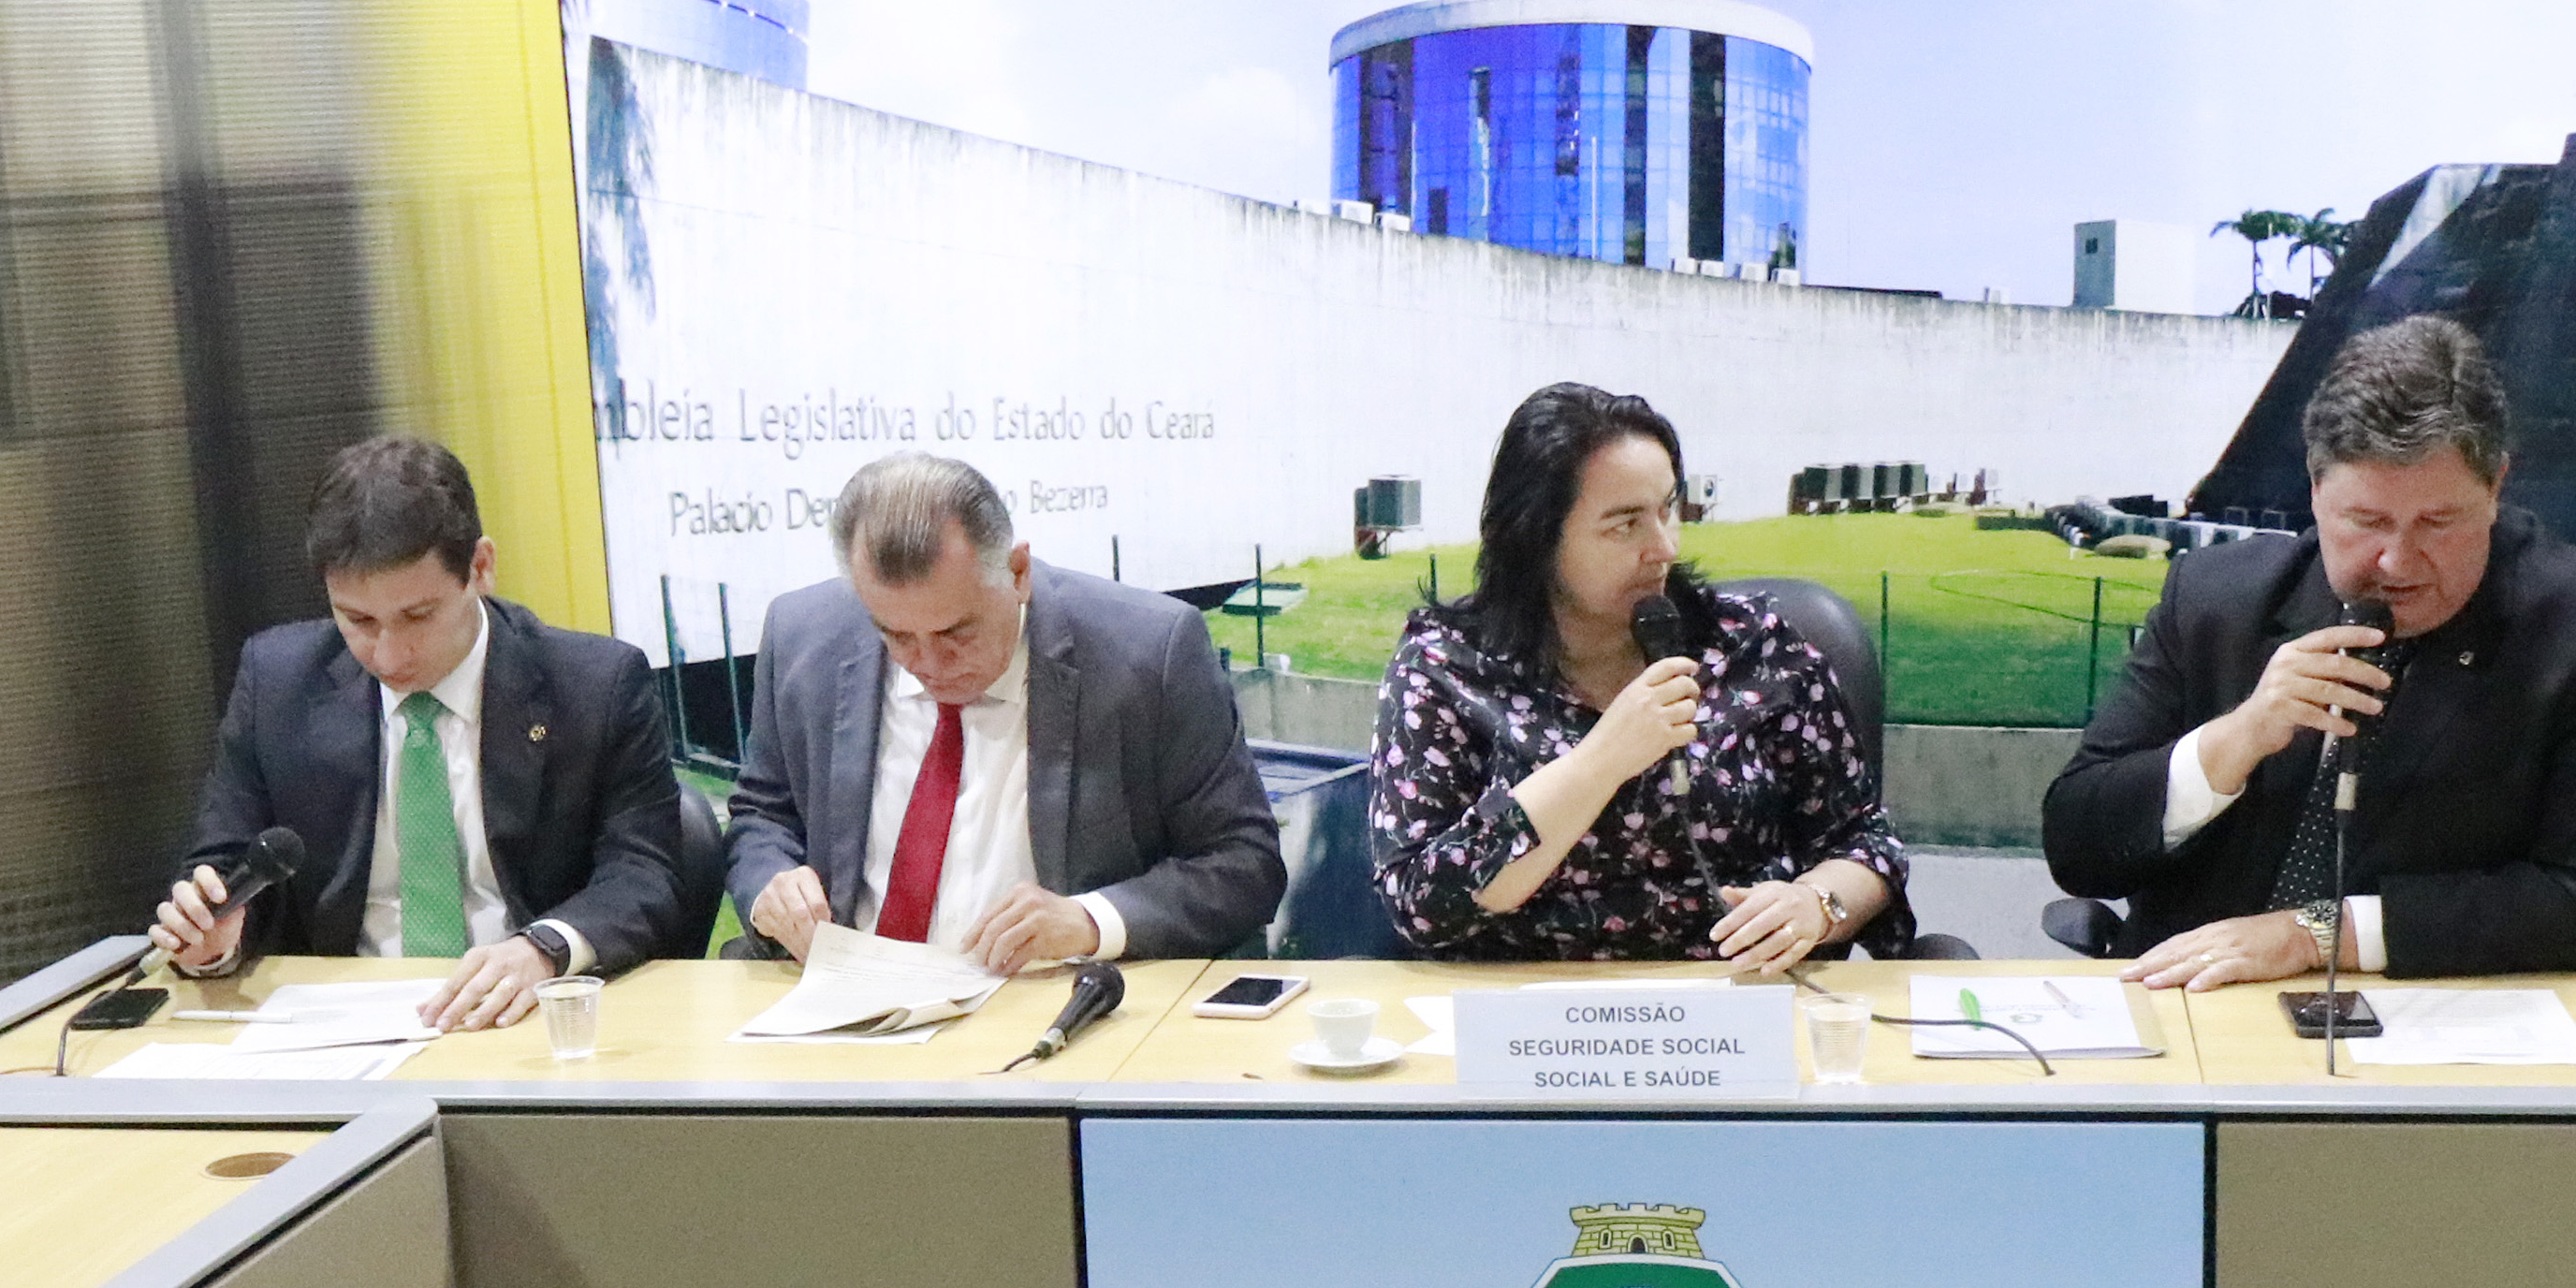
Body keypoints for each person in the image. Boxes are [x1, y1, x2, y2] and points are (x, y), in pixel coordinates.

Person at [2042, 315, 2576, 987]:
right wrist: (2237, 737)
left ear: (2495, 488)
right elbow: (2078, 849)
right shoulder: (2214, 600)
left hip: (2431, 1014)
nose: (2397, 561)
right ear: (2316, 491)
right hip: (2191, 1001)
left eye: (2438, 522)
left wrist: (2320, 934)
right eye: (2367, 521)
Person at [154, 434, 690, 1028]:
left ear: (480, 568)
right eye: (358, 620)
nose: (387, 655)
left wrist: (544, 948)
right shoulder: (278, 683)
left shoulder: (595, 685)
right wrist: (214, 935)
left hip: (521, 1013)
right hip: (339, 1022)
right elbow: (224, 865)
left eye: (417, 616)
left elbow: (643, 874)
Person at [1371, 382, 1911, 968]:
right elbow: (1421, 903)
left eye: (1667, 510)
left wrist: (1817, 903)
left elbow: (1866, 841)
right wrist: (1602, 760)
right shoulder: (1444, 667)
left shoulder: (1754, 646)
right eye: (1625, 524)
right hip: (1521, 1006)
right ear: (1536, 538)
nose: (1664, 547)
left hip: (1735, 996)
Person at [728, 454, 1282, 969]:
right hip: (850, 997)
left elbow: (1243, 862)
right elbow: (763, 816)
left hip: (1055, 1001)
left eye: (956, 633)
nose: (928, 665)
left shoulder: (1148, 653)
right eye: (896, 636)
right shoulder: (804, 639)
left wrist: (1089, 921)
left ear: (1018, 572)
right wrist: (772, 888)